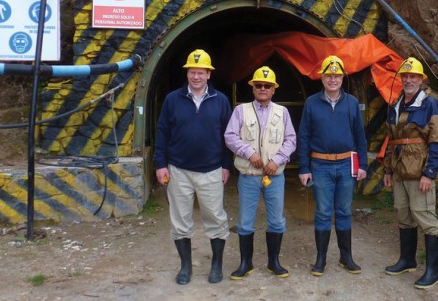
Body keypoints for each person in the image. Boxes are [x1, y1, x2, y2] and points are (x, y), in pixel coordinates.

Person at [153, 49, 232, 285]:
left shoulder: (220, 100)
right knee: (180, 221)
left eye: (200, 72)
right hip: (179, 170)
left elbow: (228, 136)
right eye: (192, 72)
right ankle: (185, 266)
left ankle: (216, 265)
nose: (196, 77)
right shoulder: (172, 99)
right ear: (187, 73)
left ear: (209, 74)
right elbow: (162, 132)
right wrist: (160, 164)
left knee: (216, 219)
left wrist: (226, 165)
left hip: (211, 169)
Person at [224, 66, 297, 280]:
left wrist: (277, 160)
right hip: (248, 175)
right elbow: (230, 136)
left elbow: (291, 139)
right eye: (259, 85)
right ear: (253, 89)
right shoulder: (241, 111)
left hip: (274, 177)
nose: (263, 88)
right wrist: (249, 153)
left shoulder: (282, 112)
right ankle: (245, 264)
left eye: (267, 86)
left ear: (274, 89)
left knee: (276, 221)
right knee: (245, 221)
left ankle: (274, 263)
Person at [297, 55, 368, 276]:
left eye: (337, 75)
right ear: (322, 78)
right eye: (329, 75)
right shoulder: (311, 103)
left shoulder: (352, 103)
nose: (333, 79)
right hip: (321, 165)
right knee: (323, 213)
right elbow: (304, 136)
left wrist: (363, 164)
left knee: (345, 211)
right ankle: (321, 260)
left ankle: (346, 258)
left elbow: (360, 136)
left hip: (347, 164)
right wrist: (303, 168)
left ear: (342, 77)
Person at [382, 57, 438, 289]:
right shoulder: (397, 104)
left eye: (414, 77)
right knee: (404, 215)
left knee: (426, 218)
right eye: (405, 76)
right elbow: (392, 140)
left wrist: (429, 174)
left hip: (419, 172)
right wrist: (388, 169)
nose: (409, 80)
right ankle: (407, 261)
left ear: (421, 79)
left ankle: (433, 271)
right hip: (400, 172)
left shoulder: (430, 104)